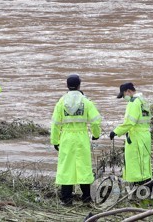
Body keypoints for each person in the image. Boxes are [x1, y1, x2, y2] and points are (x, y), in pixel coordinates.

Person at [50, 74, 102, 206]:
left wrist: (55, 141)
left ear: (67, 85)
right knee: (84, 167)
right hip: (81, 136)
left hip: (66, 137)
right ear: (79, 85)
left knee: (66, 167)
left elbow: (55, 124)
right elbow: (96, 120)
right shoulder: (85, 102)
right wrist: (96, 134)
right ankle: (86, 198)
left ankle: (66, 199)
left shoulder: (61, 102)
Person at [109, 82, 153, 187]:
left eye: (124, 95)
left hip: (136, 137)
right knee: (143, 166)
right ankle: (142, 191)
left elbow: (129, 122)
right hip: (145, 136)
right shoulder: (143, 101)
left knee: (136, 167)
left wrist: (115, 132)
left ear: (128, 91)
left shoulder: (134, 102)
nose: (124, 98)